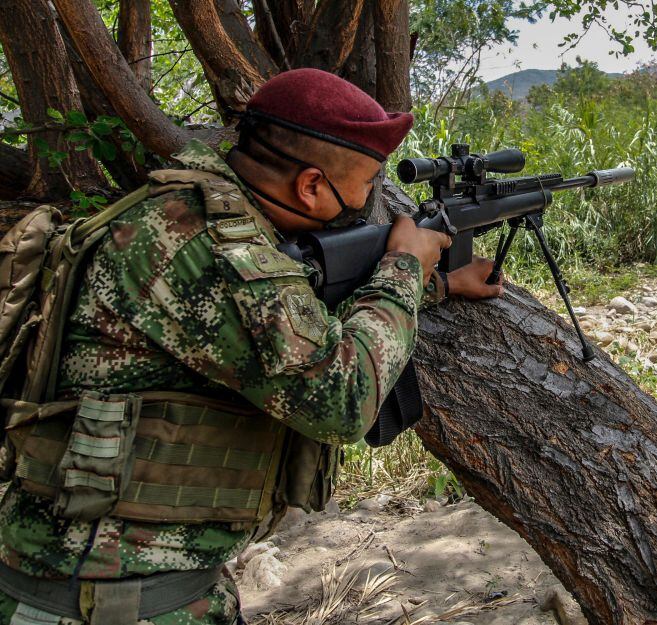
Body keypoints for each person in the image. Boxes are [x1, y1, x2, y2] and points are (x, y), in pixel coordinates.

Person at [0, 68, 502, 624]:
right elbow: (342, 402)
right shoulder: (216, 249)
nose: (368, 200)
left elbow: (281, 321)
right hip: (108, 602)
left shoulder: (182, 213)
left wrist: (440, 283)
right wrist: (403, 266)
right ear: (310, 186)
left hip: (126, 587)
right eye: (367, 183)